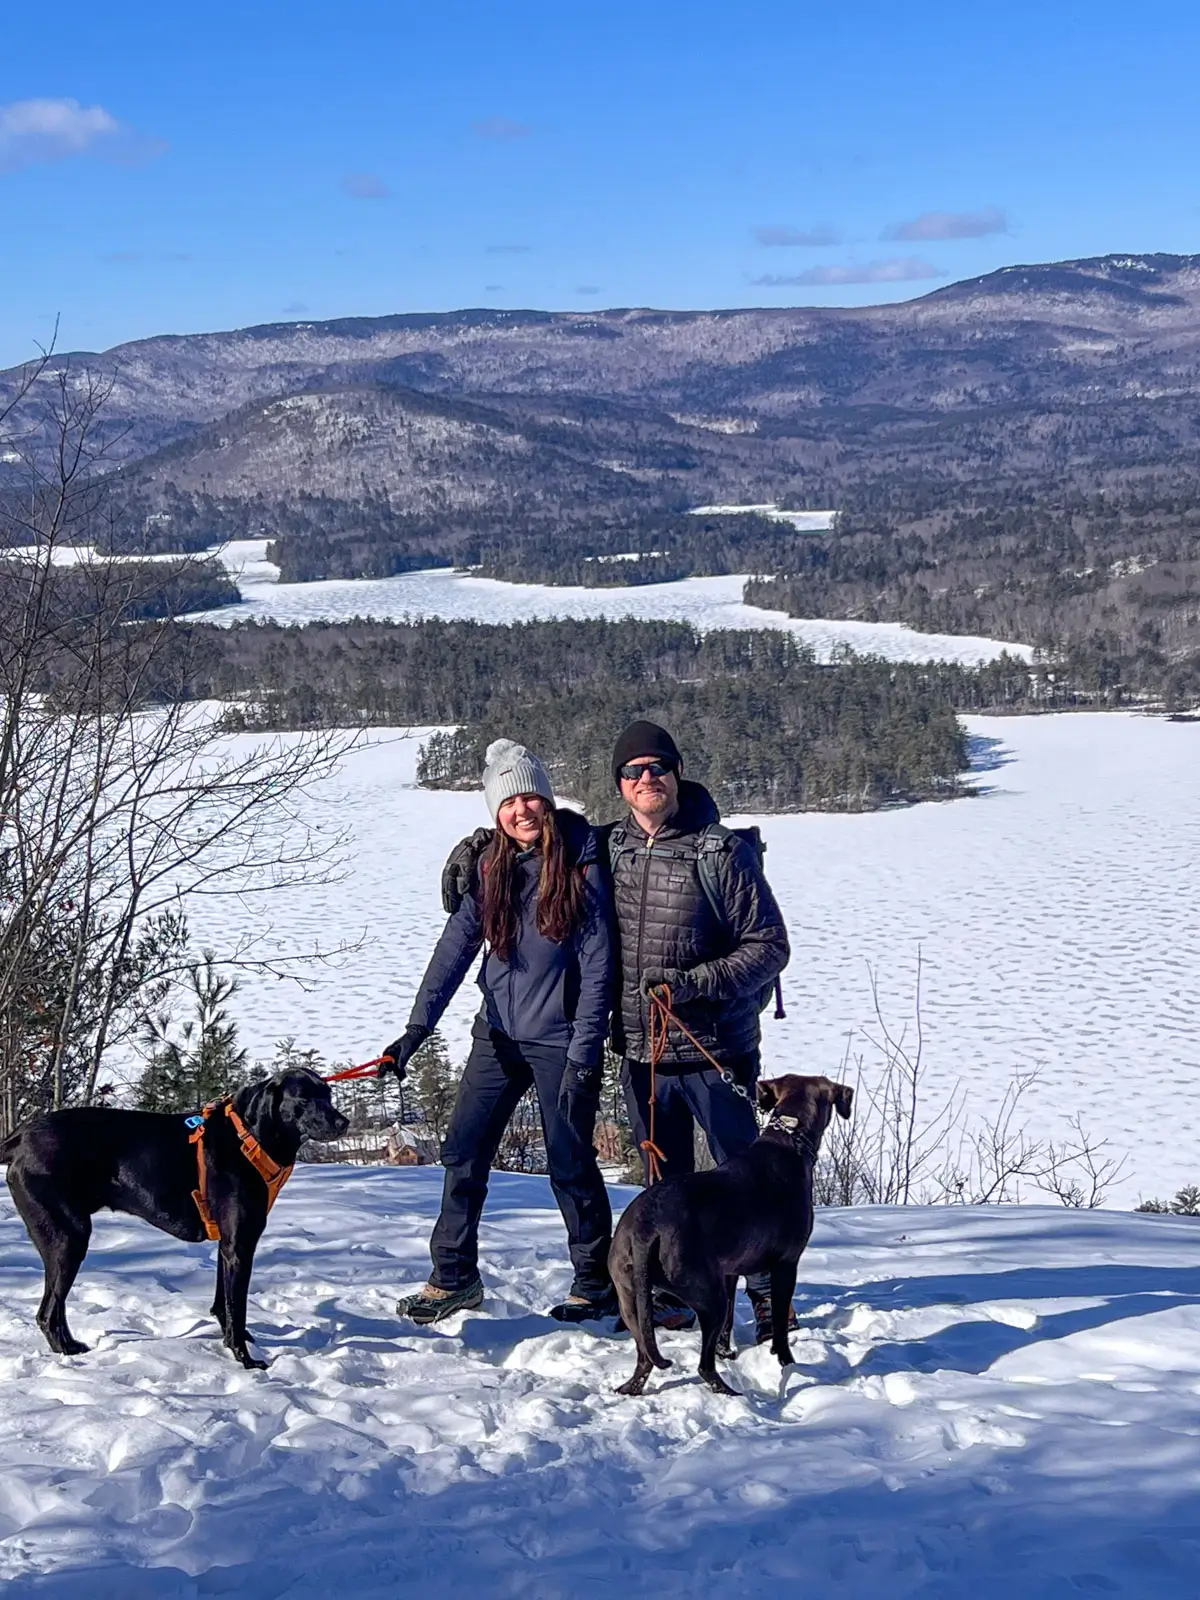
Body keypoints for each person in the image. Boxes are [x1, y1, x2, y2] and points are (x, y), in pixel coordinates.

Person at [441, 720, 792, 1342]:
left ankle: (769, 1303)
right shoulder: (609, 847)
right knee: (667, 1188)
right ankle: (678, 1296)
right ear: (620, 785)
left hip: (714, 1046)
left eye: (657, 767)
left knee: (746, 1180)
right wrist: (478, 847)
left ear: (677, 773)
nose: (646, 778)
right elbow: (546, 832)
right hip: (641, 1050)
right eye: (632, 771)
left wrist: (696, 982)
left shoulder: (720, 852)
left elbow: (770, 947)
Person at [380, 739, 617, 1326]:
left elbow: (599, 967)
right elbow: (454, 951)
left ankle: (596, 1282)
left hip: (562, 1040)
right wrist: (416, 1029)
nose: (522, 811)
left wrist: (586, 1052)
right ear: (495, 811)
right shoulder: (490, 867)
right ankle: (454, 1276)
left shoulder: (581, 863)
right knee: (463, 1152)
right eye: (509, 802)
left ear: (548, 798)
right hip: (498, 1034)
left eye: (531, 796)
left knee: (569, 1162)